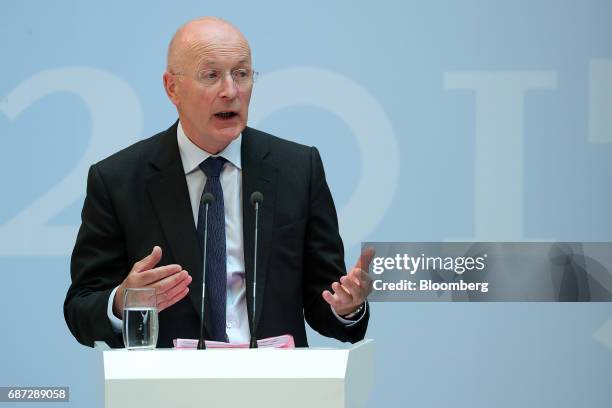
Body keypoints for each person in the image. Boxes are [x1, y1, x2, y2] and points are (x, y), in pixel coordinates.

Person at [64, 17, 373, 348]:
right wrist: (121, 302)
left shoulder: (298, 169)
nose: (231, 91)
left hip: (276, 386)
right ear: (172, 88)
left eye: (241, 74)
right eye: (211, 75)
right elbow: (81, 308)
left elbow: (324, 300)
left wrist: (347, 306)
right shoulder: (118, 179)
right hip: (168, 390)